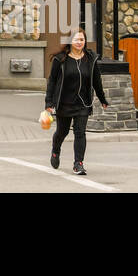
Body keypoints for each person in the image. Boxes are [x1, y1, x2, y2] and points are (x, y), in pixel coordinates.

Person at [44, 27, 108, 176]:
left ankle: (78, 163)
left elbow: (96, 81)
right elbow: (52, 82)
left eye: (82, 39)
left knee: (80, 133)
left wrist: (102, 98)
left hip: (83, 104)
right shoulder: (60, 59)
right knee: (62, 131)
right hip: (64, 103)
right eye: (76, 39)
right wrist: (49, 103)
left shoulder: (90, 59)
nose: (79, 42)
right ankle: (55, 150)